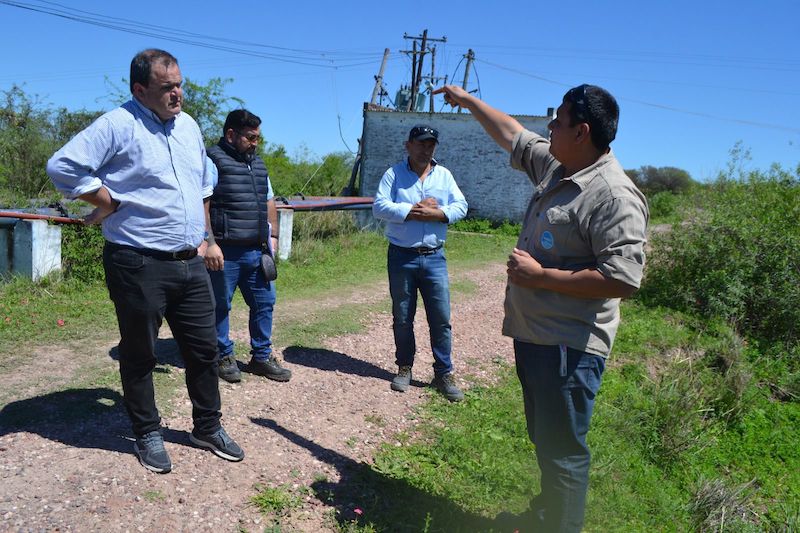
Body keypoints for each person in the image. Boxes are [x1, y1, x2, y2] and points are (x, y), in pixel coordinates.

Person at [434, 84, 648, 531]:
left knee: (565, 453)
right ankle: (546, 518)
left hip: (569, 347)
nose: (549, 125)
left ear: (582, 131)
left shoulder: (613, 196)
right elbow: (512, 133)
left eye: (559, 119)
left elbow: (623, 279)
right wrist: (469, 101)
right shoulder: (559, 166)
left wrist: (541, 277)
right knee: (547, 441)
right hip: (538, 337)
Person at [46, 49, 244, 474]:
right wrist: (108, 200)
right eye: (166, 87)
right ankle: (147, 432)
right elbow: (63, 166)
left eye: (180, 84)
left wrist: (208, 239)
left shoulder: (188, 126)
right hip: (137, 262)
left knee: (204, 349)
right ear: (140, 90)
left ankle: (206, 427)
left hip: (190, 261)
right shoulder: (119, 124)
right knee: (140, 354)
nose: (177, 94)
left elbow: (201, 186)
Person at [372, 125, 468, 402]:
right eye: (421, 143)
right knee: (403, 317)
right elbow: (379, 206)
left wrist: (437, 213)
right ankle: (405, 367)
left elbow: (461, 206)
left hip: (434, 257)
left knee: (440, 318)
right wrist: (412, 212)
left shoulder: (444, 175)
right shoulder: (394, 174)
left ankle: (443, 373)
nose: (426, 149)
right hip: (402, 256)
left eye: (431, 145)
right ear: (408, 145)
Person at [204, 109, 291, 384]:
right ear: (231, 134)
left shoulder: (258, 164)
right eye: (250, 137)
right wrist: (209, 243)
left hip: (257, 250)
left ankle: (261, 357)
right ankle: (223, 356)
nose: (255, 143)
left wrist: (273, 237)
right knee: (220, 306)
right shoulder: (212, 161)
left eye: (258, 138)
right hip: (225, 252)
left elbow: (269, 202)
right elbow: (201, 203)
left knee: (265, 303)